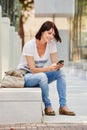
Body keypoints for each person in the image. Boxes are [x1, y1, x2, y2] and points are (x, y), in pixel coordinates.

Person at [17, 21, 75, 116]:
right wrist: (49, 68)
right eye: (49, 33)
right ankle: (48, 106)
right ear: (42, 31)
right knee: (42, 76)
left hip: (39, 75)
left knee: (60, 73)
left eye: (53, 34)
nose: (51, 36)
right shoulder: (29, 45)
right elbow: (32, 69)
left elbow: (54, 64)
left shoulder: (51, 44)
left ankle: (63, 106)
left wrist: (58, 66)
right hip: (25, 76)